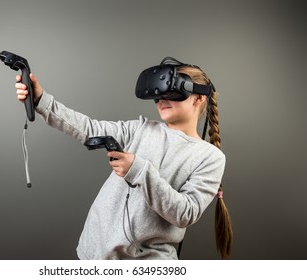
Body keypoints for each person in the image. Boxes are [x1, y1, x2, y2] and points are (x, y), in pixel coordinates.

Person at [14, 57, 233, 260]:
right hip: (93, 254)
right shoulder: (140, 129)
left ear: (199, 97)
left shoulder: (210, 157)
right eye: (157, 94)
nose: (161, 99)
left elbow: (186, 213)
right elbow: (90, 129)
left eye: (171, 92)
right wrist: (41, 100)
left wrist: (138, 170)